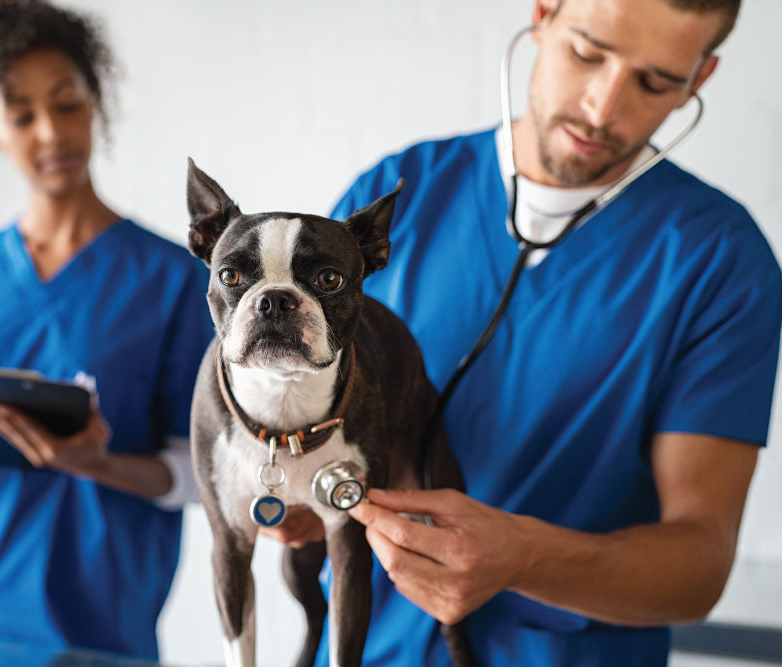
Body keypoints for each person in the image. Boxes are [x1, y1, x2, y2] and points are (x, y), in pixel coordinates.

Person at [269, 0, 782, 664]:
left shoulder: (720, 261)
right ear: (543, 13)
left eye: (655, 82)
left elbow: (699, 565)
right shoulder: (396, 198)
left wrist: (527, 557)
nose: (602, 107)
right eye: (587, 53)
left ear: (700, 80)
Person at [0, 0, 212, 660]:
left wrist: (97, 463)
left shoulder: (172, 280)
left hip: (86, 633)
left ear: (95, 103)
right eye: (21, 114)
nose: (51, 133)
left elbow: (203, 473)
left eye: (66, 103)